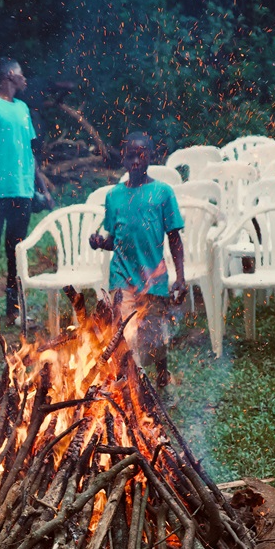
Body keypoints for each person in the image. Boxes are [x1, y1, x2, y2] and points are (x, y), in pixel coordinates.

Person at [89, 132, 187, 388]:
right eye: (130, 155)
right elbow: (115, 238)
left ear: (151, 157)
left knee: (156, 336)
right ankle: (131, 385)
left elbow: (174, 238)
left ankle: (162, 373)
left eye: (141, 155)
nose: (135, 160)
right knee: (124, 334)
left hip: (153, 278)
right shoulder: (114, 196)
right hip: (121, 276)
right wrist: (100, 243)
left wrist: (181, 277)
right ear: (122, 158)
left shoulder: (163, 192)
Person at [0, 58, 53, 336]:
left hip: (22, 192)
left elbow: (28, 153)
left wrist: (42, 187)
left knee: (15, 253)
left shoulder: (23, 109)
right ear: (9, 75)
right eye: (21, 73)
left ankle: (13, 311)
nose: (25, 79)